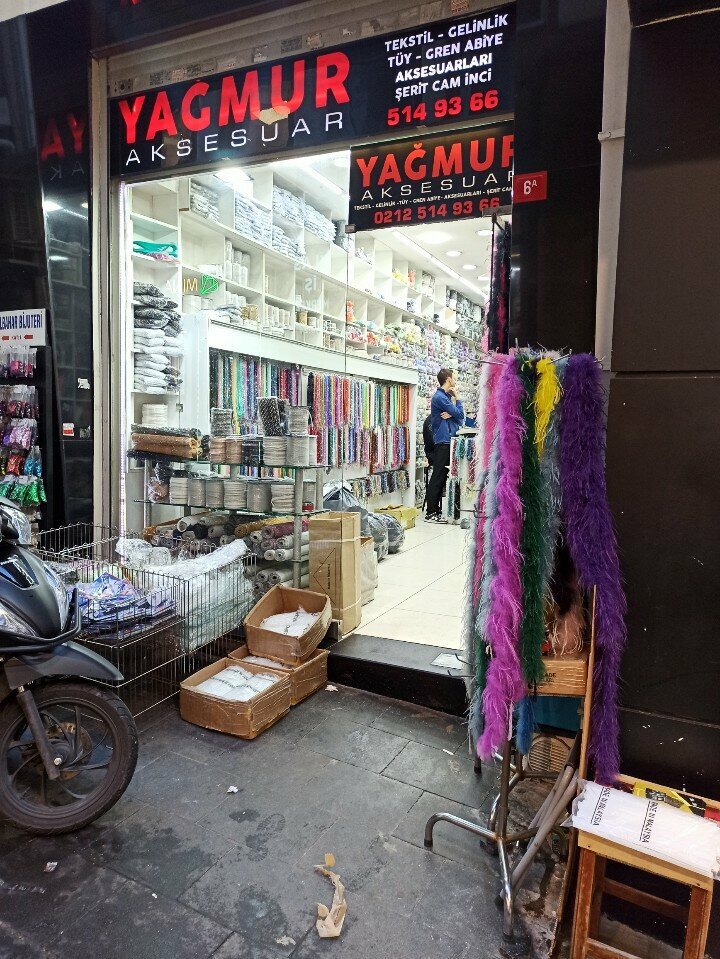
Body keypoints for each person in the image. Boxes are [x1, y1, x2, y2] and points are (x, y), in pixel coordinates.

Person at [425, 368, 464, 522]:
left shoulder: (445, 397)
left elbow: (460, 419)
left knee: (441, 476)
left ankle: (435, 511)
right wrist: (457, 398)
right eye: (453, 377)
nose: (454, 380)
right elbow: (460, 414)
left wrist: (452, 415)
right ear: (448, 379)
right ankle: (431, 512)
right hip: (443, 442)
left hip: (448, 441)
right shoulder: (440, 397)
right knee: (438, 476)